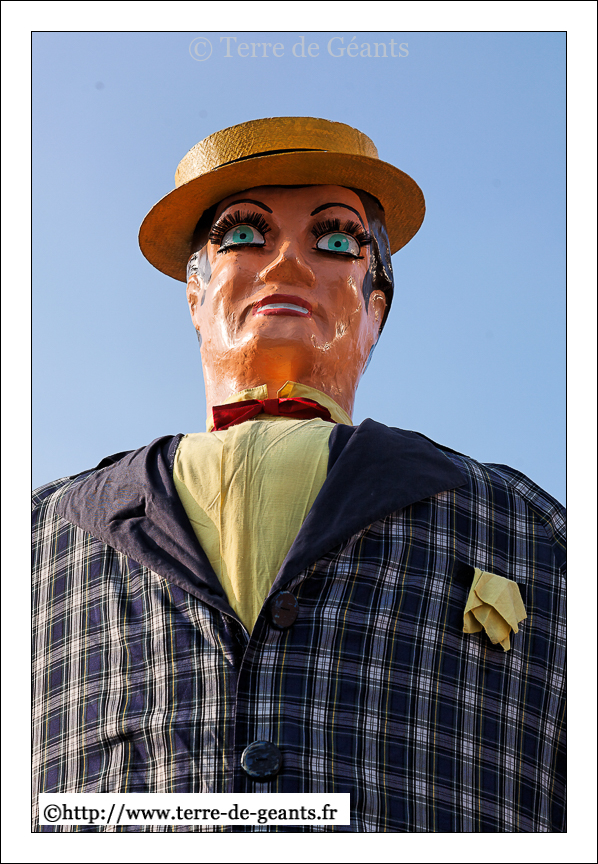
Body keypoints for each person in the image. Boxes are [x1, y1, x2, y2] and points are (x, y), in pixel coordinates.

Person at [32, 117, 565, 832]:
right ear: (194, 296)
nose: (286, 264)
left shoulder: (534, 534)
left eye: (337, 242)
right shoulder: (36, 542)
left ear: (376, 308)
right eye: (243, 235)